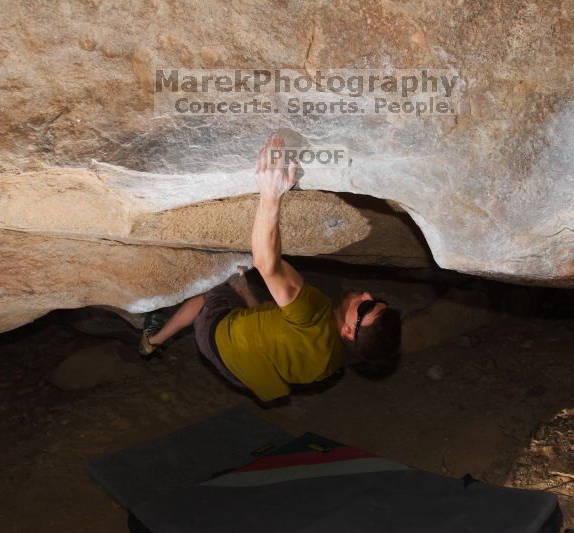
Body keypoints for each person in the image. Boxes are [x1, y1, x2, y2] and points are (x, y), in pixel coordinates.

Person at [138, 135, 401, 403]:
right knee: (253, 296)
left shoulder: (313, 310)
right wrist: (246, 292)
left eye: (367, 308)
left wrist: (271, 194)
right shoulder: (334, 363)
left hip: (217, 340)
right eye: (377, 301)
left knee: (209, 294)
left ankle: (153, 341)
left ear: (348, 331)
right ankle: (238, 297)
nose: (368, 295)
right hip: (241, 376)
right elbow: (276, 334)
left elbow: (266, 262)